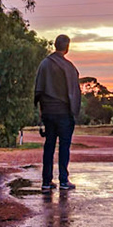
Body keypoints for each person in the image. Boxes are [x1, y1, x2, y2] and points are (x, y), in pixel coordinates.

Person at [33, 34, 81, 191]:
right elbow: (74, 92)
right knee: (64, 147)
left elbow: (38, 91)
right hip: (64, 114)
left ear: (55, 45)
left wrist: (41, 112)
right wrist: (73, 112)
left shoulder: (44, 64)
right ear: (67, 48)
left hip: (48, 112)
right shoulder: (69, 67)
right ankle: (64, 181)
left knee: (49, 146)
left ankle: (46, 182)